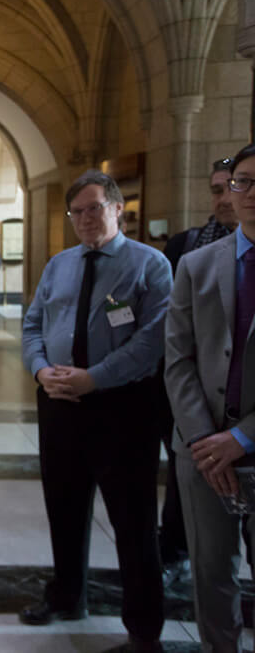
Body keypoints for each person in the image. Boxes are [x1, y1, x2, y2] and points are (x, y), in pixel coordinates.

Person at [20, 170, 171, 652]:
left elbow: (152, 341)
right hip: (59, 404)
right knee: (63, 506)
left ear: (117, 209)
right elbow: (32, 325)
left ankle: (143, 628)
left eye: (94, 208)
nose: (85, 219)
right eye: (77, 212)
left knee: (133, 520)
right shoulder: (58, 265)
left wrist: (95, 378)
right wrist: (41, 370)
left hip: (123, 408)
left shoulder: (150, 265)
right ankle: (66, 596)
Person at [164, 143, 255, 652]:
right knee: (211, 574)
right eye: (242, 181)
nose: (248, 193)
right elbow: (178, 358)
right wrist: (203, 439)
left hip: (248, 442)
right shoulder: (196, 264)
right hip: (202, 453)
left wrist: (241, 437)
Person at [156, 158, 239, 587]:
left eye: (234, 186)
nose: (224, 198)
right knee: (185, 484)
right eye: (217, 189)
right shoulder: (187, 248)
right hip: (193, 402)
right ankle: (175, 549)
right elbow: (173, 332)